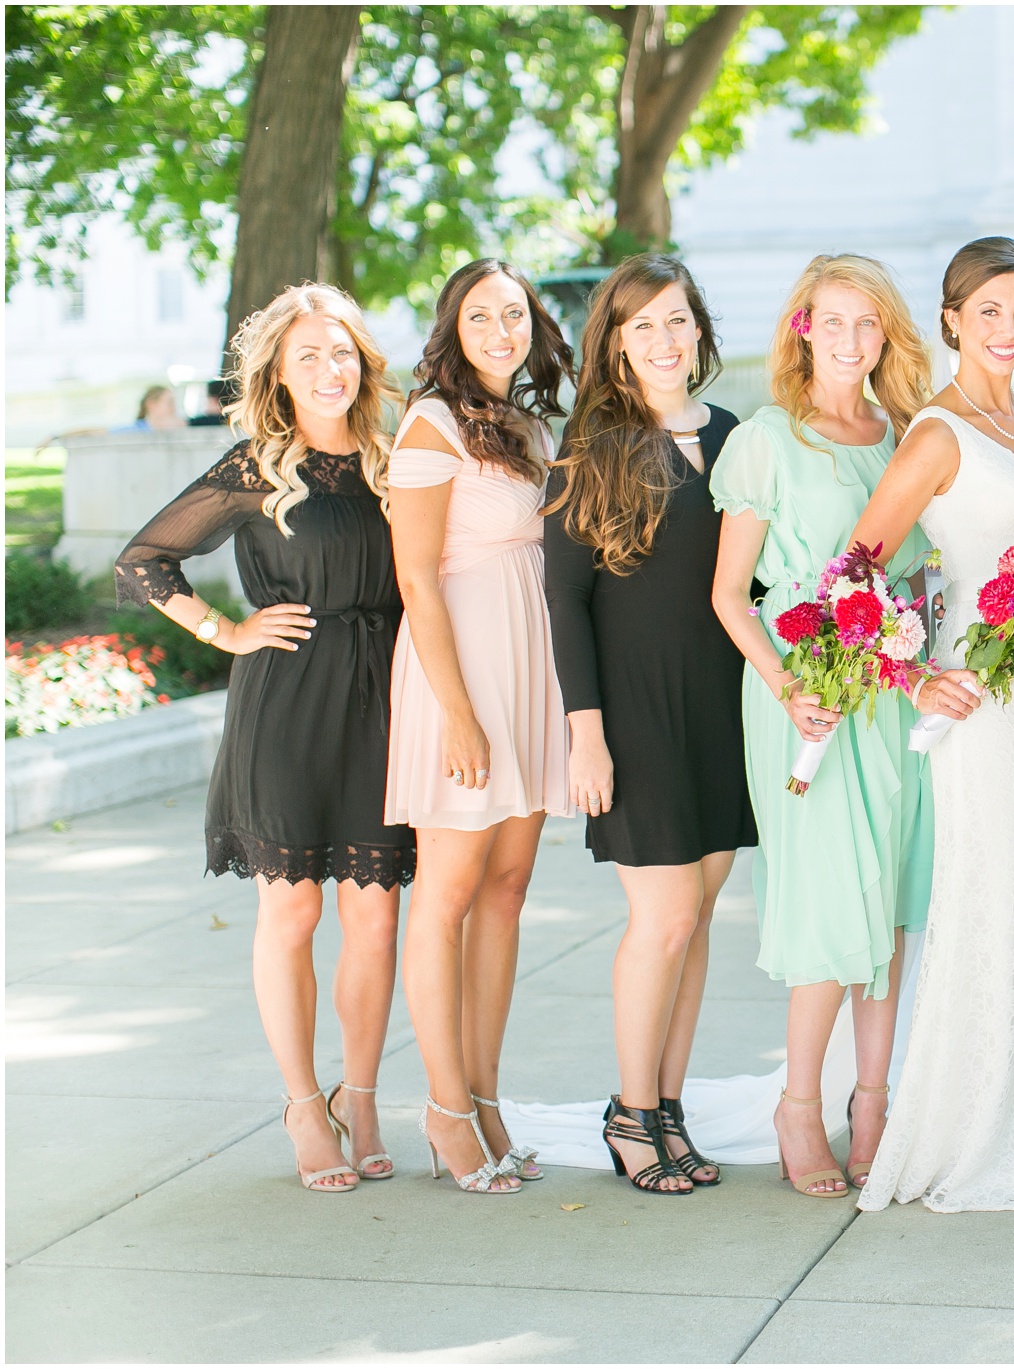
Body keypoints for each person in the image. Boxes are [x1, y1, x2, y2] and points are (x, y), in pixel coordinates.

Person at [114, 283, 414, 1192]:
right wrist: (227, 631)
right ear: (278, 374)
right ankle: (299, 1102)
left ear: (364, 363)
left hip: (382, 697)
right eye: (308, 356)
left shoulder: (397, 459)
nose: (330, 369)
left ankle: (359, 1095)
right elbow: (142, 562)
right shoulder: (257, 466)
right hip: (285, 696)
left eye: (343, 352)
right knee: (293, 910)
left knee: (374, 913)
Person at [844, 237, 1014, 1213]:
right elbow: (854, 570)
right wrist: (912, 676)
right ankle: (972, 1123)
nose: (1008, 329)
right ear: (951, 317)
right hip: (980, 705)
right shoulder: (936, 435)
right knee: (990, 895)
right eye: (989, 310)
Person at [708, 255, 934, 1199]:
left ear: (888, 335)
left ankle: (872, 1104)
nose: (849, 341)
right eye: (832, 321)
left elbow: (920, 573)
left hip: (893, 695)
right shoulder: (767, 439)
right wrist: (788, 686)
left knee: (886, 904)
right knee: (830, 903)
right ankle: (800, 1102)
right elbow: (729, 595)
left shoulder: (907, 438)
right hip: (804, 690)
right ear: (803, 327)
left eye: (868, 325)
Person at [544, 254, 756, 1195]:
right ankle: (631, 1111)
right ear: (616, 345)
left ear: (699, 330)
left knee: (699, 915)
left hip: (723, 702)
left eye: (677, 322)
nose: (665, 341)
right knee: (661, 916)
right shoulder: (591, 447)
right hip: (635, 709)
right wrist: (586, 732)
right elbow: (563, 602)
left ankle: (668, 1107)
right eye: (643, 328)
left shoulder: (737, 434)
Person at [386, 259, 573, 1194]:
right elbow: (417, 577)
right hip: (458, 676)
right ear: (452, 327)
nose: (500, 330)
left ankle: (488, 1096)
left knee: (506, 890)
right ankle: (444, 1107)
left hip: (529, 668)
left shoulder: (533, 427)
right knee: (449, 895)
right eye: (480, 315)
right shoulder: (431, 422)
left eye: (513, 314)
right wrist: (456, 713)